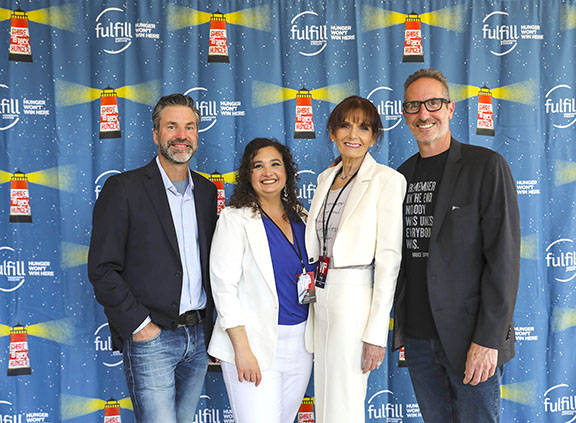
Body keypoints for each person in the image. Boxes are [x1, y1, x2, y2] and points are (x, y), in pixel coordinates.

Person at [392, 68, 520, 423]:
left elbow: (504, 260)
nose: (424, 114)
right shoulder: (400, 177)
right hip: (418, 339)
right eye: (414, 106)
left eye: (433, 103)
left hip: (471, 339)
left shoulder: (486, 166)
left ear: (450, 108)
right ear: (405, 114)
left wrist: (488, 339)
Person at [88, 94, 218, 423]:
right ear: (156, 133)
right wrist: (141, 326)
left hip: (198, 337)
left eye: (189, 127)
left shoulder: (206, 191)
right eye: (172, 126)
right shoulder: (124, 188)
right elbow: (102, 269)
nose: (181, 135)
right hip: (152, 338)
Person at [304, 96, 406, 423]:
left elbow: (389, 260)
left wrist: (375, 333)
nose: (353, 135)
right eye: (345, 125)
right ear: (332, 132)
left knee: (345, 400)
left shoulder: (387, 180)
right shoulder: (325, 179)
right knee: (325, 395)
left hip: (354, 297)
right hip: (320, 294)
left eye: (363, 128)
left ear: (374, 137)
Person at [208, 138, 315, 423]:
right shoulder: (234, 219)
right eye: (258, 166)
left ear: (287, 171)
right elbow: (223, 287)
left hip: (301, 345)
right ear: (248, 174)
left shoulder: (302, 216)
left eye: (275, 164)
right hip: (254, 344)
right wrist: (242, 350)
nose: (268, 172)